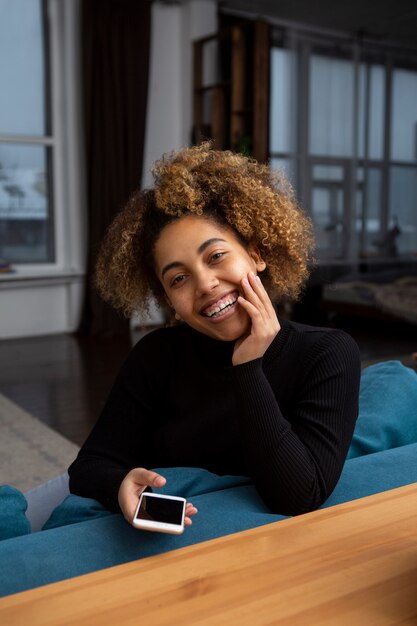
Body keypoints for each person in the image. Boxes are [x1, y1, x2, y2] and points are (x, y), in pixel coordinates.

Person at [68, 142, 361, 528]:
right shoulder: (156, 356)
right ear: (169, 300)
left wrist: (248, 367)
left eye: (216, 256)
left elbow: (298, 495)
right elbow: (88, 465)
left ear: (256, 254)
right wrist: (118, 482)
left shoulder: (328, 353)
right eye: (178, 278)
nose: (205, 284)